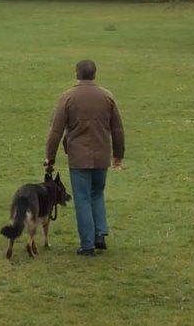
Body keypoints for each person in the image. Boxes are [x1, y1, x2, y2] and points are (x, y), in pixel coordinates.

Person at [44, 59, 125, 256]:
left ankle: (87, 245)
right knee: (97, 194)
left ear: (76, 74)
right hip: (102, 155)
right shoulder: (107, 96)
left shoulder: (68, 97)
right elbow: (117, 129)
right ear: (94, 74)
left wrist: (50, 156)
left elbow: (56, 130)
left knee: (82, 198)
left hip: (78, 157)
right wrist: (118, 155)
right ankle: (100, 234)